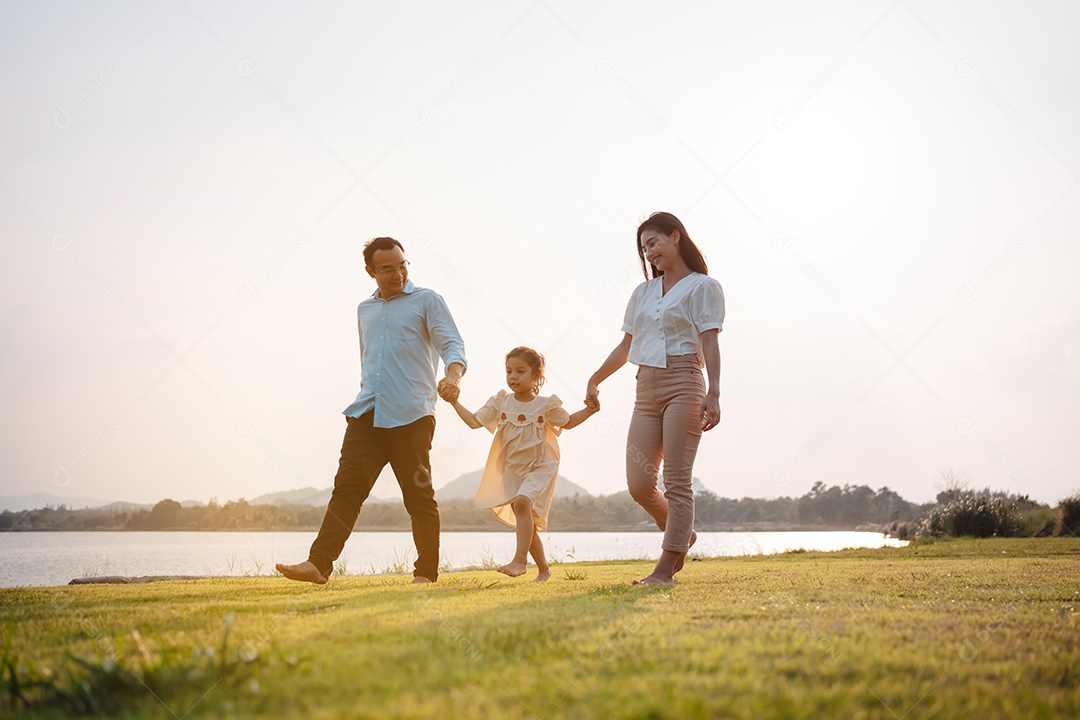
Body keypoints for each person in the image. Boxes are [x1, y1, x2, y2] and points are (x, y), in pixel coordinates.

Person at [276, 237, 466, 585]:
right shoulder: (365, 309)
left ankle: (425, 575)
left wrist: (452, 375)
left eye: (402, 265)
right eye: (388, 268)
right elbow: (370, 361)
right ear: (370, 271)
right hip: (367, 412)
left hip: (411, 415)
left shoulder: (427, 300)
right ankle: (318, 565)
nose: (398, 274)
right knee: (346, 491)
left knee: (418, 497)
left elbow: (452, 343)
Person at [585, 212, 724, 586]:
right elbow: (627, 344)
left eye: (654, 243)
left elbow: (710, 340)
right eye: (644, 248)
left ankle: (665, 568)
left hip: (685, 381)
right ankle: (681, 534)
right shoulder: (642, 293)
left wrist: (714, 391)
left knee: (677, 480)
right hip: (645, 386)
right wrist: (595, 378)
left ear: (675, 236)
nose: (649, 253)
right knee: (639, 483)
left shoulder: (703, 287)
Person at [449, 346, 596, 581]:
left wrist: (590, 411)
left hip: (541, 466)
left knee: (522, 502)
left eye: (520, 371)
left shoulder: (546, 405)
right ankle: (544, 569)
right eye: (509, 372)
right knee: (524, 514)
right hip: (512, 470)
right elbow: (475, 422)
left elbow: (567, 422)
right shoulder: (501, 402)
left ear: (537, 375)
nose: (513, 377)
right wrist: (454, 402)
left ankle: (519, 561)